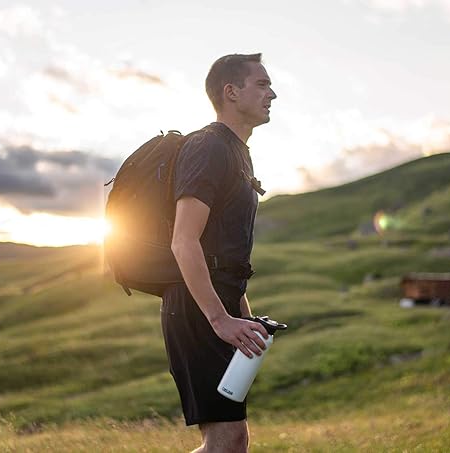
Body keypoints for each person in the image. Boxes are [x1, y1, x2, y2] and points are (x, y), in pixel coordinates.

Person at [162, 53, 277, 453]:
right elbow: (184, 241)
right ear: (231, 92)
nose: (272, 94)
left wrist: (244, 317)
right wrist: (219, 319)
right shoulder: (208, 147)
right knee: (227, 439)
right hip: (197, 307)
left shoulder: (238, 153)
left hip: (219, 305)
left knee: (229, 440)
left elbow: (226, 252)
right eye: (262, 85)